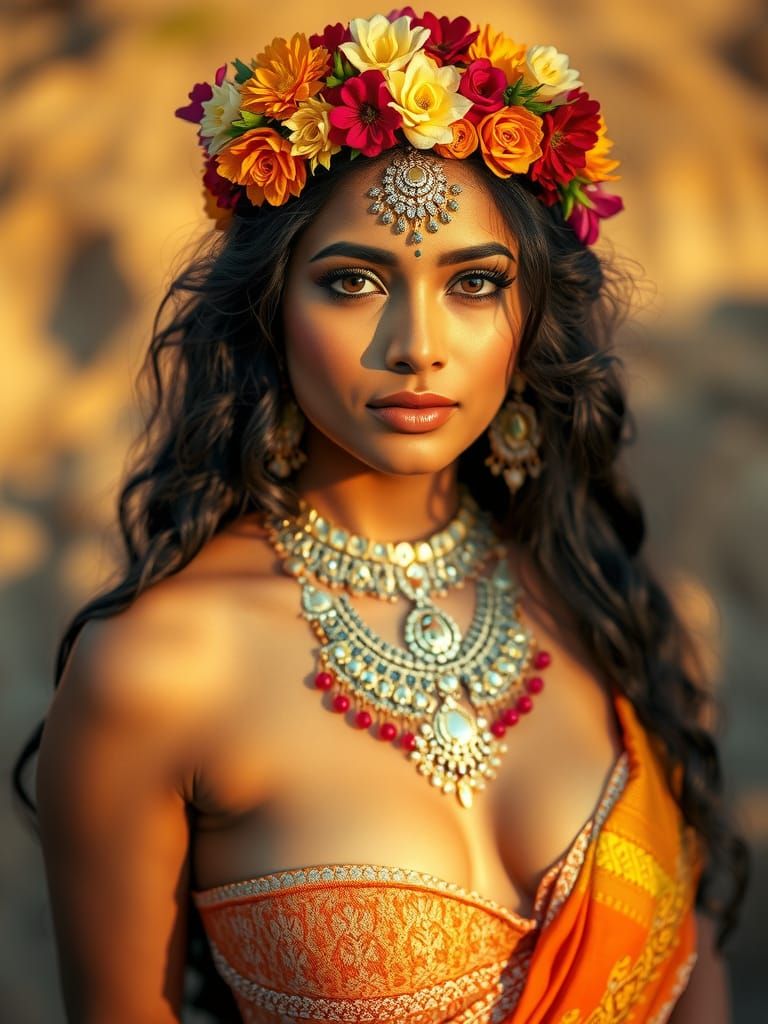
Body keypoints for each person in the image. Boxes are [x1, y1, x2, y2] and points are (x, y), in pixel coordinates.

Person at [12, 9, 748, 1023]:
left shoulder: (605, 606)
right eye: (354, 282)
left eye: (475, 284)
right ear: (269, 311)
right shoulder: (157, 668)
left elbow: (693, 979)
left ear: (530, 317)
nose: (417, 346)